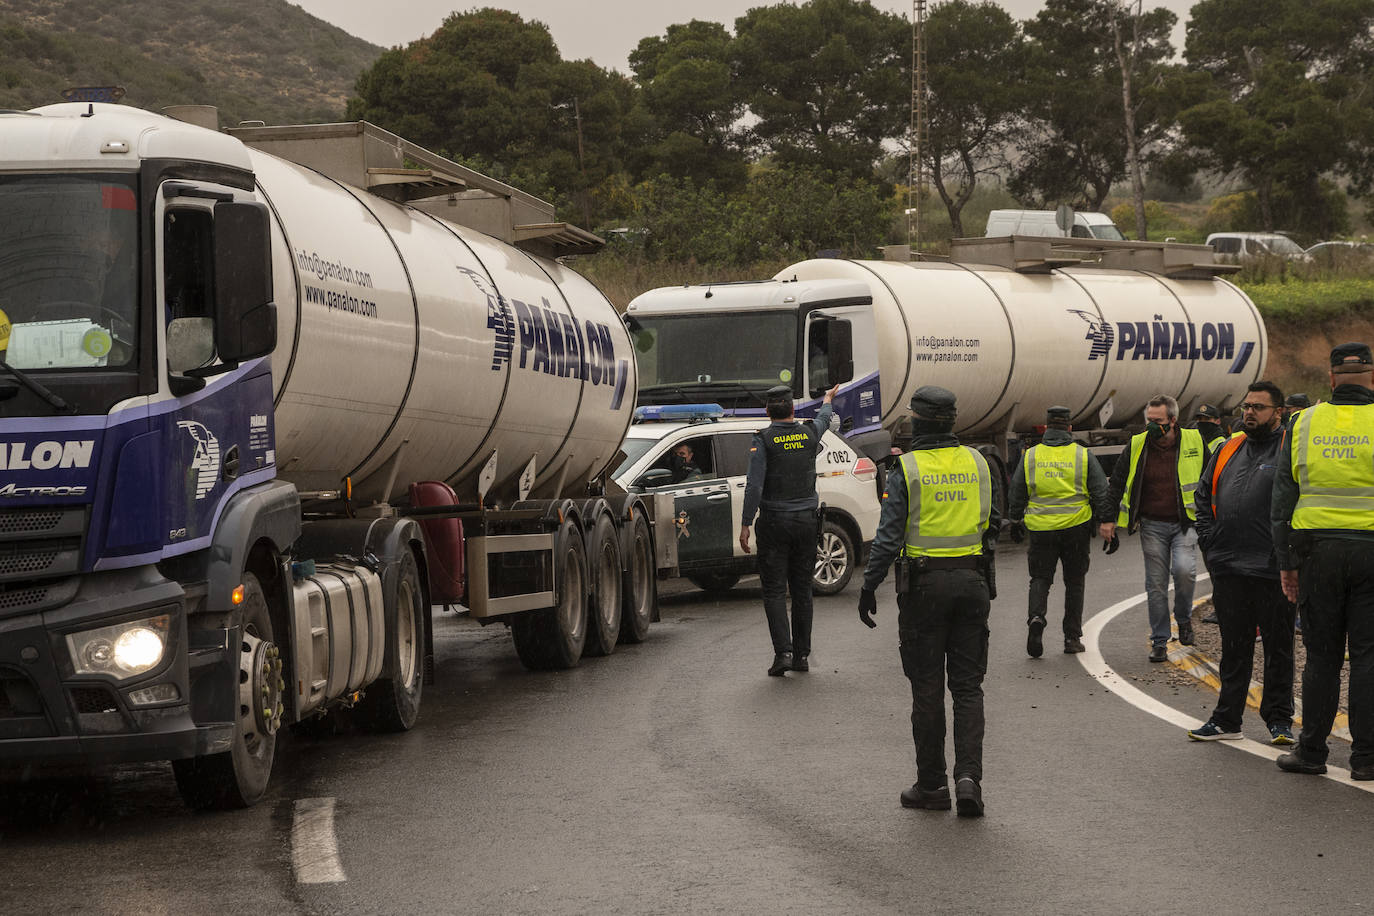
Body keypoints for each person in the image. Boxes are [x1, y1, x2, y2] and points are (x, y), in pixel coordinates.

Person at [858, 386, 1000, 817]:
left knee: (927, 689)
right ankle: (969, 779)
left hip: (923, 590)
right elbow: (992, 523)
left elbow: (889, 535)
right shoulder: (978, 462)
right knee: (968, 688)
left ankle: (933, 785)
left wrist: (869, 585)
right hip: (973, 583)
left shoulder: (909, 468)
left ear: (920, 422)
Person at [1271, 342, 1374, 780]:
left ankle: (1312, 751)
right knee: (1369, 658)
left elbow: (1282, 498)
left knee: (1322, 657)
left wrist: (1286, 562)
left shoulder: (1303, 421)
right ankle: (1367, 760)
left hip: (1316, 554)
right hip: (1371, 551)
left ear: (1330, 379)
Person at [1188, 381, 1295, 744]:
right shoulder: (1229, 447)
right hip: (1229, 566)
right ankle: (1226, 720)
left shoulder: (1290, 449)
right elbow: (1203, 497)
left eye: (1258, 407)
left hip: (1273, 570)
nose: (1249, 412)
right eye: (1246, 406)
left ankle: (1279, 720)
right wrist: (1210, 542)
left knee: (1278, 649)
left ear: (1278, 412)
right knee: (1234, 648)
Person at [1102, 394, 1211, 662]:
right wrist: (1107, 519)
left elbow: (1211, 479)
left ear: (1173, 421)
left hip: (1184, 523)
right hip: (1152, 524)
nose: (1151, 426)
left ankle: (1183, 618)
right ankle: (1160, 640)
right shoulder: (1138, 444)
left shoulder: (1195, 441)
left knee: (1185, 572)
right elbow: (1116, 482)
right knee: (1156, 585)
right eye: (1148, 420)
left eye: (1157, 421)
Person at [739, 383, 838, 676]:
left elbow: (755, 485)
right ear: (793, 409)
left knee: (773, 591)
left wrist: (745, 523)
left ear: (768, 411)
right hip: (807, 523)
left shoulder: (764, 440)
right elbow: (823, 418)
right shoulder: (808, 433)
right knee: (802, 590)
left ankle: (783, 652)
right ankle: (802, 657)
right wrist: (829, 399)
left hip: (774, 523)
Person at [1007, 406, 1111, 657]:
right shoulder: (1082, 455)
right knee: (1075, 582)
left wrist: (1015, 519)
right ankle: (1071, 638)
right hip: (1076, 529)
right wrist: (1107, 520)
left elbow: (1017, 491)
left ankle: (1036, 618)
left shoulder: (1031, 456)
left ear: (1046, 428)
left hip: (1041, 530)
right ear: (1070, 428)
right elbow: (1100, 491)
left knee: (1040, 578)